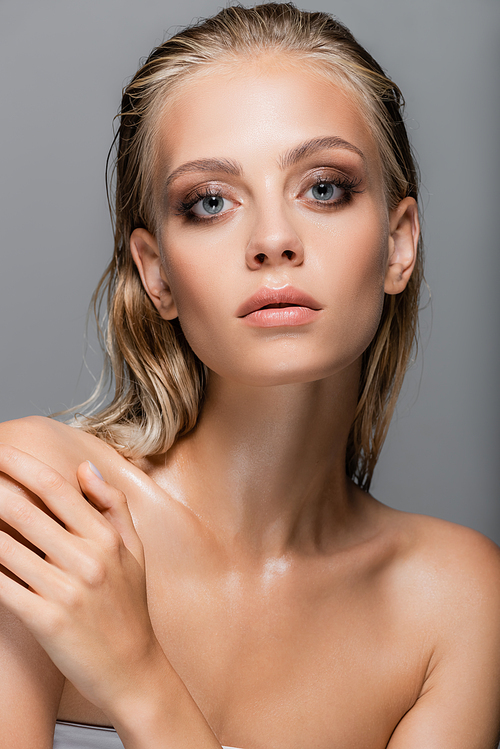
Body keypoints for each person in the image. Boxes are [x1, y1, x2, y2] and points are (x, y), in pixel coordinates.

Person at [0, 3, 499, 748]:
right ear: (156, 272)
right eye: (210, 202)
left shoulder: (455, 601)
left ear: (399, 245)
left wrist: (141, 679)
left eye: (324, 187)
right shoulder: (44, 506)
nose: (272, 240)